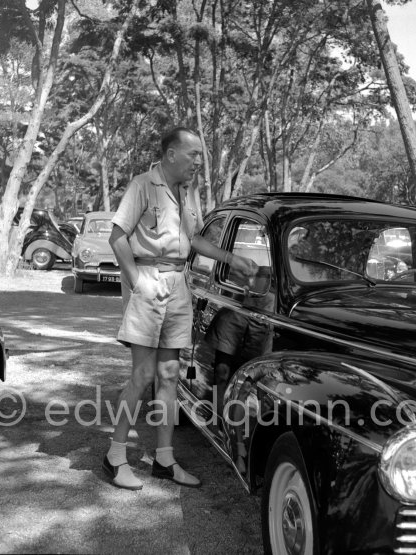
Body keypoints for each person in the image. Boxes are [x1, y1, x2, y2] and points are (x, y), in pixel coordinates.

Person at [103, 127, 258, 490]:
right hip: (148, 282)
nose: (198, 164)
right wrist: (137, 282)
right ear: (172, 154)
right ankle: (115, 455)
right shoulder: (142, 185)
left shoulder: (188, 192)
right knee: (142, 375)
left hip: (178, 287)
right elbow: (117, 237)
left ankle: (164, 459)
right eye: (193, 156)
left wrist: (232, 259)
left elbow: (195, 238)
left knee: (170, 374)